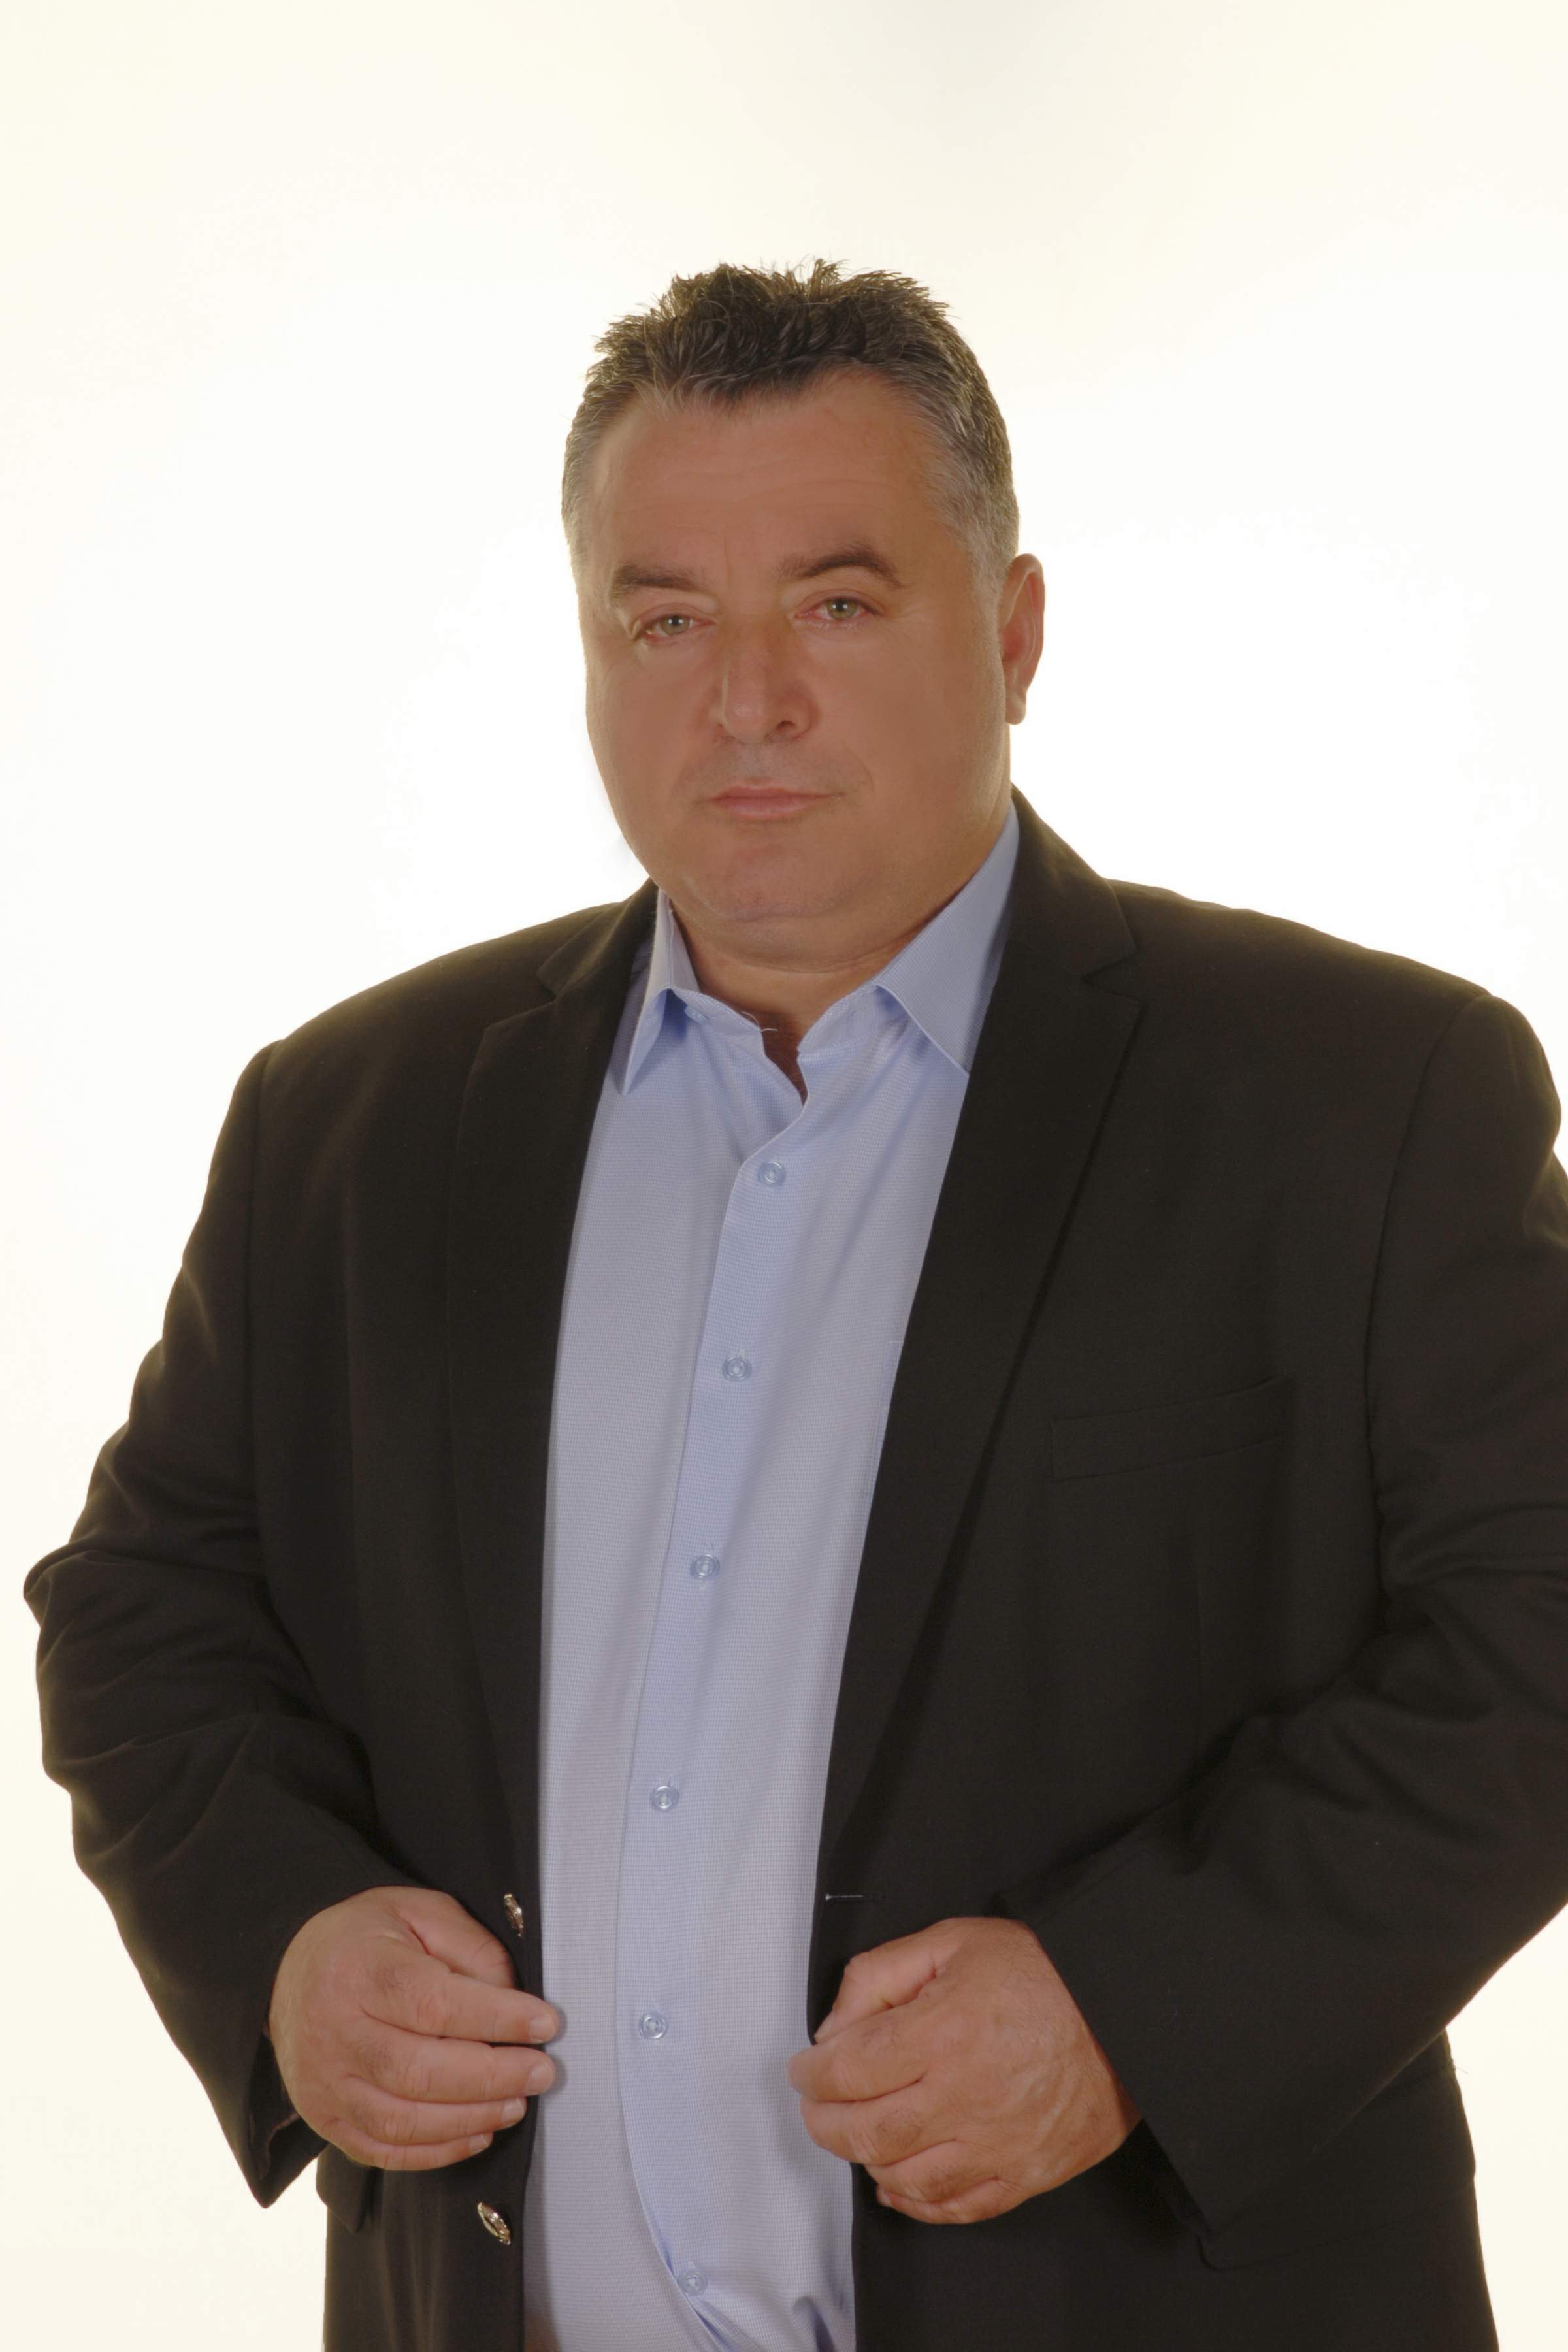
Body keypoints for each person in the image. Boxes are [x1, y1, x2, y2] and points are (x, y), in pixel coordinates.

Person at [25, 257, 1568, 2352]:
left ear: (1012, 632)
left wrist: (1140, 2011)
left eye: (837, 605)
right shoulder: (357, 1123)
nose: (744, 699)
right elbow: (145, 1607)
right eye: (666, 620)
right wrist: (285, 1941)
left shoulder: (1357, 1100)